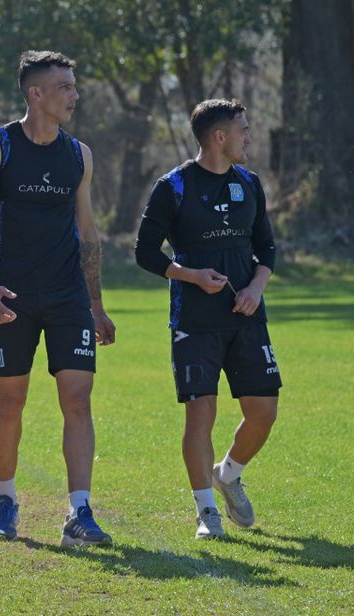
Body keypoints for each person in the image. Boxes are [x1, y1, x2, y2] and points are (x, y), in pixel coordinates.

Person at [0, 50, 116, 547]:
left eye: (74, 85)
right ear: (36, 94)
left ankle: (79, 511)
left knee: (77, 398)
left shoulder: (78, 155)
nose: (75, 94)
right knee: (11, 400)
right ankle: (5, 499)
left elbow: (88, 232)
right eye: (65, 86)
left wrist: (96, 304)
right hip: (11, 297)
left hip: (68, 295)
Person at [134, 98, 280, 539]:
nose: (248, 137)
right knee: (201, 415)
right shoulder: (173, 186)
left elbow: (267, 249)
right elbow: (145, 253)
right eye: (243, 130)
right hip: (194, 321)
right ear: (220, 137)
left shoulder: (249, 184)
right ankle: (206, 512)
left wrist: (255, 288)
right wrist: (190, 275)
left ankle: (229, 473)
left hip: (246, 318)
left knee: (264, 412)